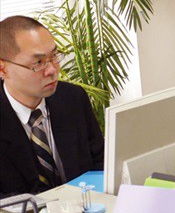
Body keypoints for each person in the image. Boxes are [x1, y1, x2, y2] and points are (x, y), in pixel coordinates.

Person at [0, 16, 104, 198]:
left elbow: (101, 163)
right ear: (3, 69)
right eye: (38, 63)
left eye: (54, 56)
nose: (52, 70)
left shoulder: (73, 98)